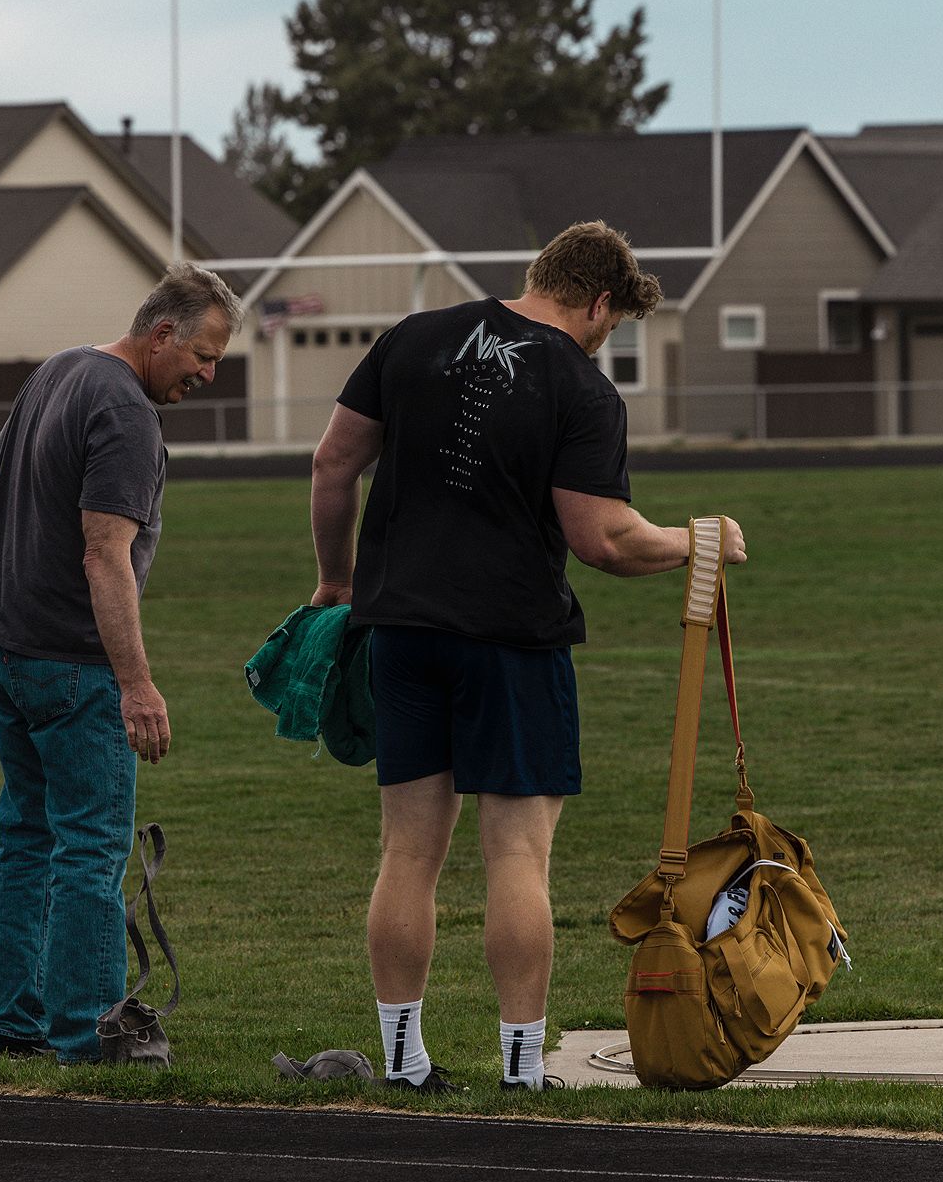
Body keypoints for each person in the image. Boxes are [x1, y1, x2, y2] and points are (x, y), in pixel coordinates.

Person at [308, 222, 745, 1092]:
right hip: (510, 640)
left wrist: (337, 583)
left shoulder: (412, 338)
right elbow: (603, 540)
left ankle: (403, 1061)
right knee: (516, 857)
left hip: (399, 631)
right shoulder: (580, 386)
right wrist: (696, 540)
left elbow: (332, 466)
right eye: (607, 329)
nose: (599, 342)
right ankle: (520, 1068)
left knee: (407, 853)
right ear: (598, 302)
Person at [0, 264, 244, 1064]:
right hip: (70, 663)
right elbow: (104, 554)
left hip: (0, 640)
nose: (207, 372)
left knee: (24, 836)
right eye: (203, 353)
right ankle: (91, 1031)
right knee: (91, 846)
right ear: (161, 334)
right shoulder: (125, 411)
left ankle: (16, 1022)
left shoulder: (57, 369)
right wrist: (137, 684)